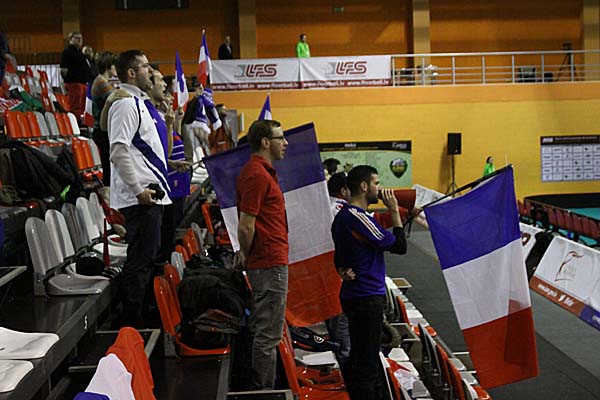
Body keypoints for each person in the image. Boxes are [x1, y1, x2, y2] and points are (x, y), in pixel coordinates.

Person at [107, 49, 172, 328]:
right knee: (140, 260)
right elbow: (119, 150)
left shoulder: (138, 102)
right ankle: (131, 323)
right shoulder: (125, 104)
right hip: (141, 197)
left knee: (148, 256)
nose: (151, 70)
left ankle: (140, 316)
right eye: (145, 66)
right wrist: (137, 190)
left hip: (150, 193)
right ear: (131, 73)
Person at [331, 165, 407, 400]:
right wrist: (394, 210)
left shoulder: (345, 217)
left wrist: (342, 268)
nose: (380, 189)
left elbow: (339, 254)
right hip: (365, 296)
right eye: (376, 183)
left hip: (358, 295)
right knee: (366, 363)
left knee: (362, 358)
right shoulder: (357, 217)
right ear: (364, 186)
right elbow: (399, 246)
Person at [235, 119, 289, 390]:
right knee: (268, 334)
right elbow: (246, 225)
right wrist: (246, 254)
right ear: (266, 142)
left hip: (269, 259)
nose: (285, 143)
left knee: (267, 330)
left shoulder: (261, 173)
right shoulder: (257, 174)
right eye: (280, 138)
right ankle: (264, 391)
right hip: (268, 262)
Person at [326, 172, 352, 367]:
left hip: (323, 274)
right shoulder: (344, 211)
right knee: (342, 321)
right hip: (340, 274)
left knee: (333, 321)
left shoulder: (321, 206)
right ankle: (346, 362)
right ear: (344, 190)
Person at [91, 51, 117, 186]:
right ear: (109, 66)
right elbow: (116, 99)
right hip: (102, 131)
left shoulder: (103, 81)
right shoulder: (101, 83)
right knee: (108, 168)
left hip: (104, 130)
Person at [60, 32, 93, 121]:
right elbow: (63, 70)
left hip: (82, 83)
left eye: (81, 38)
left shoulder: (80, 53)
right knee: (75, 106)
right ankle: (75, 122)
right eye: (77, 38)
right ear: (70, 39)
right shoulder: (67, 52)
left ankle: (80, 121)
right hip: (74, 82)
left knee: (82, 106)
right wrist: (69, 80)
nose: (80, 40)